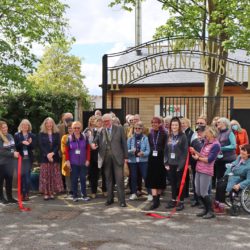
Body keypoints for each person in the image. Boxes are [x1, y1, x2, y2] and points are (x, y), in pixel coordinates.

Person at [92, 113, 128, 207]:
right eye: (104, 121)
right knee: (108, 180)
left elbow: (124, 143)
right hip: (106, 158)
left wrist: (126, 157)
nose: (106, 123)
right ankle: (110, 199)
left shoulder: (119, 128)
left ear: (111, 120)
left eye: (107, 121)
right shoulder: (101, 130)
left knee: (119, 180)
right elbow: (95, 140)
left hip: (118, 158)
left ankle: (122, 201)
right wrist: (94, 143)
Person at [190, 126, 221, 219]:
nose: (205, 135)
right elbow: (203, 155)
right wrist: (195, 151)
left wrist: (198, 158)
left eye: (206, 133)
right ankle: (206, 209)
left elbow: (210, 160)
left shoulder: (216, 145)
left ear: (212, 133)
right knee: (198, 192)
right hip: (199, 169)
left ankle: (210, 211)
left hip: (206, 171)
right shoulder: (206, 143)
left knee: (203, 192)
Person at [215, 144, 250, 214]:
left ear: (249, 154)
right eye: (242, 150)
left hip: (239, 179)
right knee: (219, 183)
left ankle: (221, 207)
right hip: (231, 176)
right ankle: (217, 203)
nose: (242, 152)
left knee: (222, 186)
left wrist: (239, 185)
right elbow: (233, 165)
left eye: (244, 151)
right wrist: (227, 173)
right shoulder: (239, 157)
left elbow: (249, 180)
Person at [165, 117, 188, 211]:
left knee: (180, 184)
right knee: (173, 183)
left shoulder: (183, 136)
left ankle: (181, 201)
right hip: (170, 163)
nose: (174, 126)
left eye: (176, 125)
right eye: (173, 125)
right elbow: (166, 150)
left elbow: (185, 152)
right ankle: (173, 199)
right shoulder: (169, 136)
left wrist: (181, 165)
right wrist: (166, 162)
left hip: (179, 165)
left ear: (179, 126)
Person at [38, 117, 64, 200]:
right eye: (47, 123)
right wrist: (47, 155)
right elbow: (41, 146)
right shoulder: (41, 133)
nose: (49, 125)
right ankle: (46, 192)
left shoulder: (56, 133)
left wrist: (52, 153)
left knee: (53, 175)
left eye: (50, 123)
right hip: (44, 158)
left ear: (53, 124)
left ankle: (52, 192)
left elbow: (58, 145)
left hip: (54, 157)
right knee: (45, 176)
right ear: (45, 124)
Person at [65, 121, 90, 202]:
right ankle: (75, 196)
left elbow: (88, 149)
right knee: (74, 179)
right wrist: (67, 160)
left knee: (83, 179)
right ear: (72, 128)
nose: (76, 129)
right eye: (75, 128)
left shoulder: (85, 137)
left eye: (78, 128)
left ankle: (84, 195)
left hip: (83, 162)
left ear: (81, 128)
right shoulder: (69, 138)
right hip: (73, 163)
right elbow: (66, 151)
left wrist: (87, 159)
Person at [146, 116, 167, 210]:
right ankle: (155, 202)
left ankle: (157, 199)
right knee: (152, 179)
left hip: (161, 158)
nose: (154, 124)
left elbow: (166, 148)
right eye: (152, 122)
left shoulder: (164, 134)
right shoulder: (150, 134)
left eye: (156, 122)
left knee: (159, 180)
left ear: (160, 124)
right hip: (152, 159)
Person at [127, 121, 151, 201]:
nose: (137, 129)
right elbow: (126, 150)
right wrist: (131, 151)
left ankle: (150, 193)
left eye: (139, 128)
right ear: (133, 129)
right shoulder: (130, 138)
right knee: (133, 177)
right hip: (132, 161)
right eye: (135, 128)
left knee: (145, 176)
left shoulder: (145, 138)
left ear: (142, 129)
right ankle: (134, 193)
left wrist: (143, 153)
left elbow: (148, 151)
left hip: (143, 161)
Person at [14, 119, 36, 201]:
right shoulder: (17, 135)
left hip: (28, 160)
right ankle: (21, 194)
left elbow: (33, 147)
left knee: (27, 177)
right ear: (21, 126)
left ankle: (26, 193)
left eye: (26, 125)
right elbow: (15, 147)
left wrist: (30, 144)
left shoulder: (32, 135)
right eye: (23, 125)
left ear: (28, 126)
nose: (25, 127)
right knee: (21, 177)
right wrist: (22, 142)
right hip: (19, 160)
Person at [0, 121, 19, 204]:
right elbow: (1, 151)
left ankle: (10, 197)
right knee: (1, 181)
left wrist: (15, 152)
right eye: (3, 127)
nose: (5, 128)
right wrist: (12, 154)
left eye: (6, 127)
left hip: (10, 163)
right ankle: (1, 198)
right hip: (2, 163)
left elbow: (13, 147)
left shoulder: (10, 136)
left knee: (9, 181)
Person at [214, 117, 236, 185]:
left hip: (228, 159)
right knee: (219, 177)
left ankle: (227, 192)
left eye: (219, 122)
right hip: (219, 159)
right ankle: (220, 194)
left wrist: (221, 148)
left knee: (227, 177)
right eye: (217, 122)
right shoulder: (217, 133)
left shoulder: (230, 132)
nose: (217, 123)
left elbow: (233, 146)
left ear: (224, 123)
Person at [61, 121, 73, 197]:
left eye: (72, 128)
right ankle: (69, 190)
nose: (70, 129)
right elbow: (63, 149)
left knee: (74, 175)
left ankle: (75, 189)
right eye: (69, 128)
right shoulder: (64, 137)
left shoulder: (78, 136)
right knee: (68, 175)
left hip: (76, 159)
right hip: (67, 159)